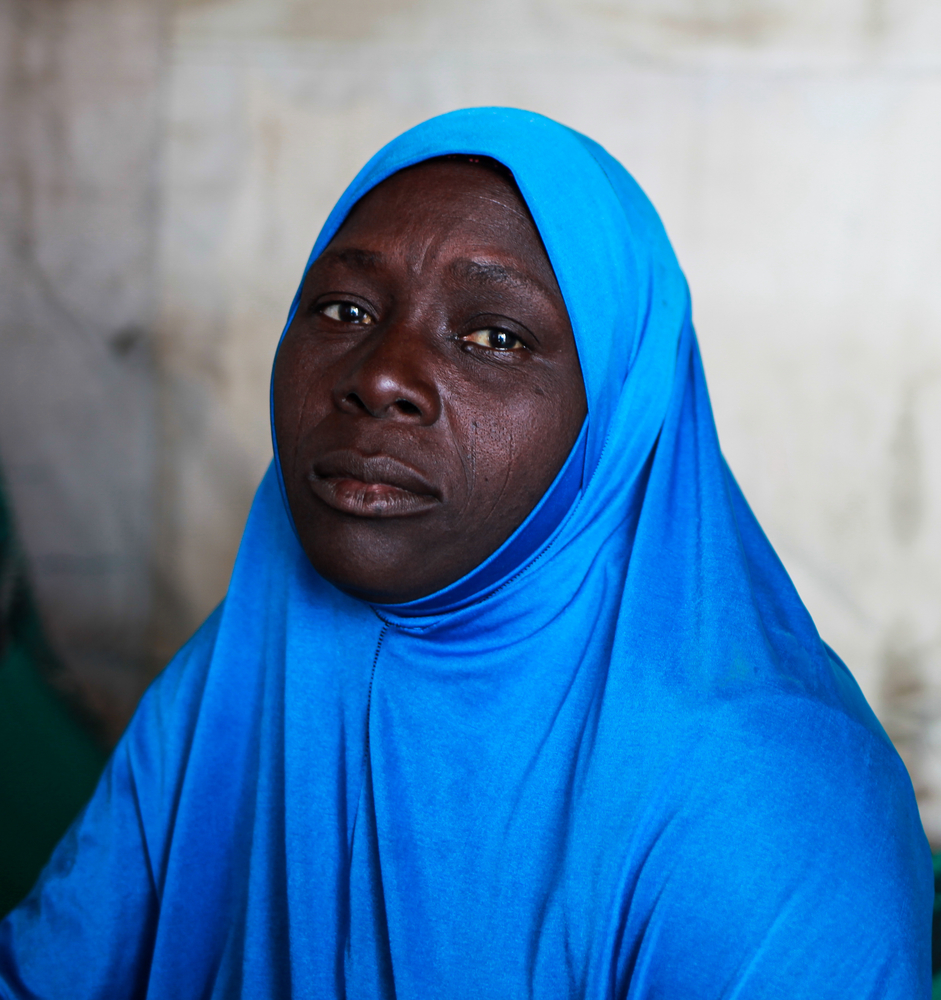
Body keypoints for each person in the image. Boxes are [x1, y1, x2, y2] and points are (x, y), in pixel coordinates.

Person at [0, 107, 931, 998]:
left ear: (615, 425)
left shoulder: (762, 800)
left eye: (494, 336)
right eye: (342, 311)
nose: (380, 377)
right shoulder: (248, 663)